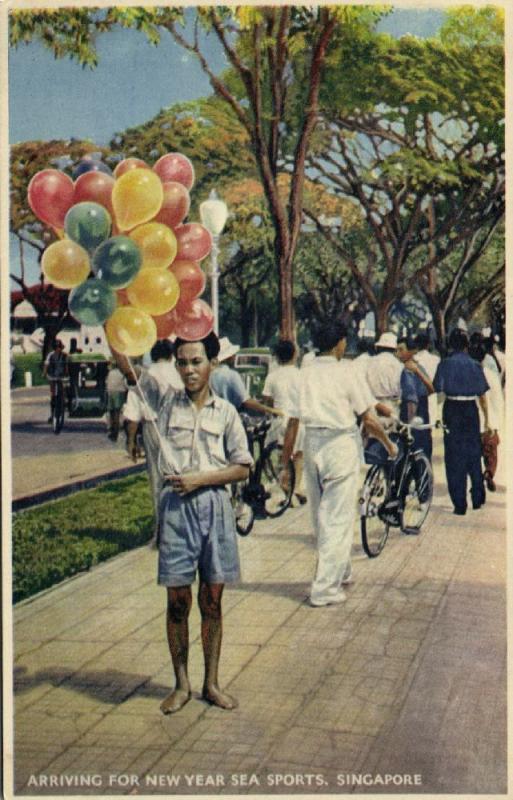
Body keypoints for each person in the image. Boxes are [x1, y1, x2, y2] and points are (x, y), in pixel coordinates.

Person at [130, 332, 252, 715]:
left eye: (196, 361)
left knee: (212, 600)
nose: (188, 370)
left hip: (215, 509)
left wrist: (200, 479)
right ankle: (181, 684)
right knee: (178, 601)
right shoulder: (166, 405)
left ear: (212, 363)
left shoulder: (226, 412)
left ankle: (211, 683)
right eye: (182, 362)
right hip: (176, 512)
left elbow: (243, 467)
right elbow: (130, 371)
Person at [280, 318, 398, 607]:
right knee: (337, 517)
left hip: (311, 444)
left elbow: (292, 423)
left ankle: (340, 569)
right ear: (339, 343)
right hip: (340, 445)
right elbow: (369, 418)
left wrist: (285, 462)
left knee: (322, 515)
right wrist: (389, 444)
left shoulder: (303, 374)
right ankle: (324, 589)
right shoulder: (346, 372)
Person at [123, 340, 183, 538]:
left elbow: (132, 414)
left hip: (151, 428)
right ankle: (179, 525)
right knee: (179, 474)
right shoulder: (178, 373)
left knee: (157, 480)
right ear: (171, 355)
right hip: (176, 426)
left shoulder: (145, 376)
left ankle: (161, 530)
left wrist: (131, 441)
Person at [434, 328, 490, 516]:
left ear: (450, 345)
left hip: (451, 409)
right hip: (470, 410)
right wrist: (487, 419)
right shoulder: (475, 365)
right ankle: (477, 496)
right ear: (467, 345)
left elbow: (438, 390)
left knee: (454, 456)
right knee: (473, 453)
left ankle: (459, 503)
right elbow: (482, 395)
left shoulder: (445, 364)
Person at [261, 339, 306, 505]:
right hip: (299, 421)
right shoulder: (301, 375)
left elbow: (267, 401)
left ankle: (286, 487)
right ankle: (294, 490)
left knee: (279, 455)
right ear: (294, 355)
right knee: (298, 456)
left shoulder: (272, 376)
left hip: (280, 419)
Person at [210, 337, 282, 418]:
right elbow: (246, 401)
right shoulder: (231, 375)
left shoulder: (209, 374)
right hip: (227, 417)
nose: (234, 357)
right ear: (229, 357)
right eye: (233, 355)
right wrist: (270, 410)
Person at [469, 339, 504, 492]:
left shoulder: (467, 374)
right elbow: (498, 399)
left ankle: (476, 482)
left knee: (474, 455)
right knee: (491, 454)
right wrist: (496, 422)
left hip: (473, 422)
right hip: (489, 423)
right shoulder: (491, 374)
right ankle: (489, 473)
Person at [397, 337, 435, 461]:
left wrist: (409, 422)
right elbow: (431, 389)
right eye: (397, 350)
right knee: (423, 450)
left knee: (409, 450)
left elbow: (411, 399)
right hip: (423, 410)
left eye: (401, 350)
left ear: (411, 351)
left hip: (412, 411)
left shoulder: (407, 370)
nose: (398, 354)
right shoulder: (418, 367)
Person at [365, 332, 404, 416]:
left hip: (372, 404)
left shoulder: (369, 362)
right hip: (392, 405)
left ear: (378, 347)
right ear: (395, 349)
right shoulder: (398, 365)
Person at [43, 339, 68, 423]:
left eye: (59, 347)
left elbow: (67, 366)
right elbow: (46, 364)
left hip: (62, 377)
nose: (58, 349)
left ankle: (63, 403)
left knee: (63, 391)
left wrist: (67, 374)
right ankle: (52, 414)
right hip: (53, 376)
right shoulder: (50, 355)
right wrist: (44, 373)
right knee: (53, 395)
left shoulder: (65, 355)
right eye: (56, 347)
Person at [105, 362, 127, 442]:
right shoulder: (122, 373)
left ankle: (112, 430)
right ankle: (115, 432)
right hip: (119, 392)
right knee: (117, 413)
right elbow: (125, 384)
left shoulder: (111, 372)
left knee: (112, 413)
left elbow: (107, 382)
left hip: (110, 392)